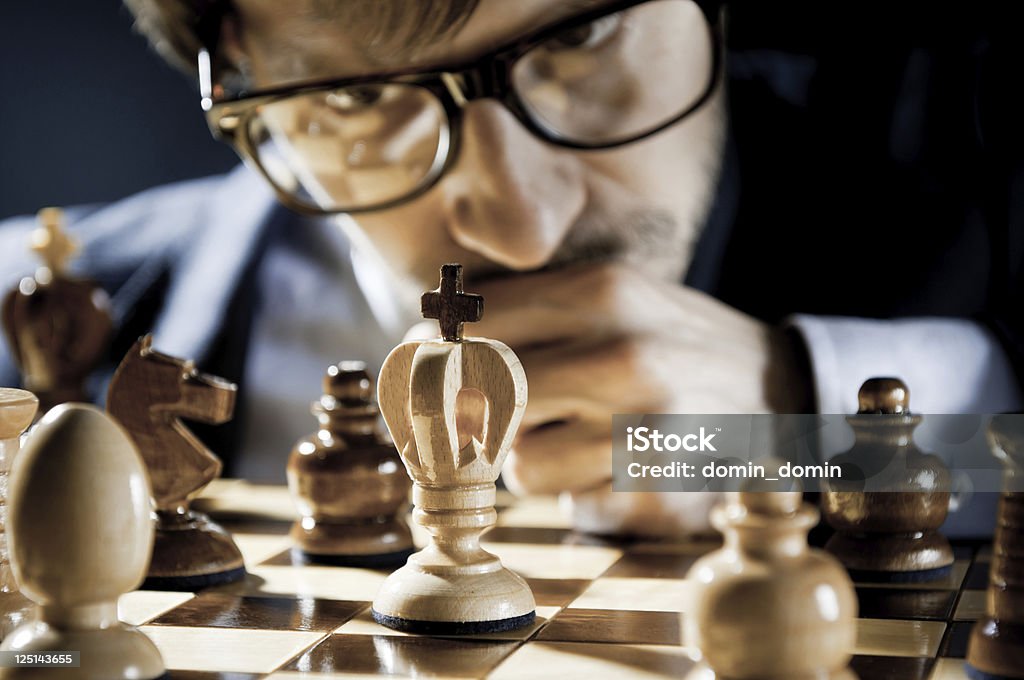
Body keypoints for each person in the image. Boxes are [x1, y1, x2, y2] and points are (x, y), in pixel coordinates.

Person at [0, 0, 1020, 535]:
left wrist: (817, 428)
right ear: (236, 80)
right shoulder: (34, 312)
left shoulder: (977, 191)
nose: (524, 229)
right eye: (361, 99)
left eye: (582, 34)